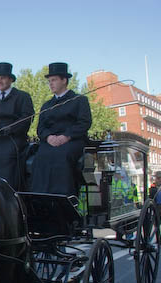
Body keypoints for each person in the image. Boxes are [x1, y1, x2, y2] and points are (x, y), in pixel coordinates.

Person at [30, 62, 92, 197]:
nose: (50, 84)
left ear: (64, 80)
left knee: (62, 156)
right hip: (50, 141)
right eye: (49, 81)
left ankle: (65, 198)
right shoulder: (47, 105)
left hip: (72, 140)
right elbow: (40, 128)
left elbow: (84, 122)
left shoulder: (79, 100)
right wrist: (48, 137)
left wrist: (66, 136)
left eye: (54, 80)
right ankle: (39, 197)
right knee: (40, 156)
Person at [0, 62, 34, 190]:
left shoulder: (22, 97)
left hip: (15, 137)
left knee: (7, 155)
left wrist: (11, 129)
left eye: (3, 78)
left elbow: (27, 117)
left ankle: (9, 191)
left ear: (10, 79)